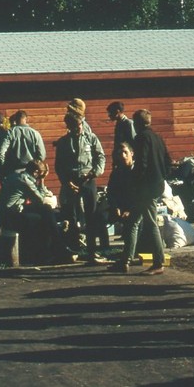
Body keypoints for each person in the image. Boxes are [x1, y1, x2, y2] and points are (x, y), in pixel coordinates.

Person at [108, 109, 171, 275]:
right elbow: (168, 161)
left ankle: (158, 262)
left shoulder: (141, 138)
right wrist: (161, 177)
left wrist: (136, 183)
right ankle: (125, 260)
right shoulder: (158, 137)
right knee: (133, 223)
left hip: (145, 188)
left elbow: (141, 164)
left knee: (150, 224)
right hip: (157, 185)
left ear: (136, 123)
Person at [0, 159, 71, 265]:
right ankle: (56, 249)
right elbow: (39, 198)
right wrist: (42, 180)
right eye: (40, 174)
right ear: (35, 172)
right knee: (43, 217)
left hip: (13, 209)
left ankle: (56, 248)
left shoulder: (18, 175)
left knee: (47, 210)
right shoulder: (24, 180)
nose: (39, 177)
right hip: (9, 215)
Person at [55, 112, 107, 263]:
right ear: (68, 127)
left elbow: (100, 157)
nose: (78, 129)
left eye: (79, 125)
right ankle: (74, 250)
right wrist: (66, 182)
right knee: (71, 217)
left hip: (88, 179)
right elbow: (59, 165)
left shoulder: (91, 138)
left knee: (91, 216)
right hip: (71, 181)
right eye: (74, 126)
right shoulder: (63, 142)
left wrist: (94, 172)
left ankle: (92, 251)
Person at [0, 110, 46, 177]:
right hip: (31, 172)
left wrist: (4, 167)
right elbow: (42, 155)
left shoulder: (10, 132)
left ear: (15, 119)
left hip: (13, 171)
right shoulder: (35, 133)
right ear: (26, 118)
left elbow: (1, 152)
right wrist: (36, 167)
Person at [107, 101, 136, 168]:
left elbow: (133, 143)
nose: (109, 115)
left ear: (117, 111)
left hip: (127, 161)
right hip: (120, 161)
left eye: (110, 113)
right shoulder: (119, 124)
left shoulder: (128, 124)